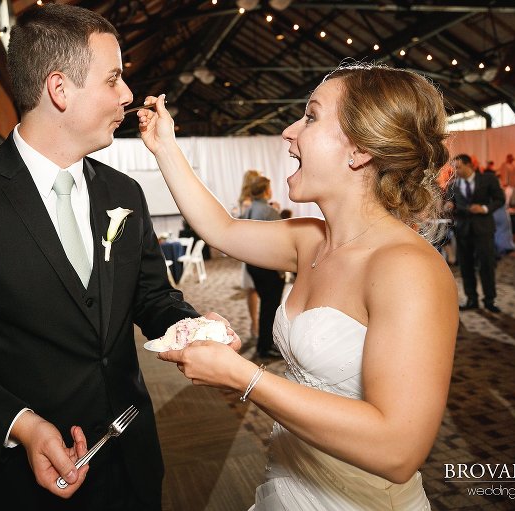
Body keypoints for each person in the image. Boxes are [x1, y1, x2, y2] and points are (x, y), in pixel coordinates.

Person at [0, 4, 237, 510]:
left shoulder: (125, 193)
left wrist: (189, 326)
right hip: (22, 485)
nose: (129, 94)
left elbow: (153, 297)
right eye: (113, 78)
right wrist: (20, 425)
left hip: (132, 462)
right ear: (59, 89)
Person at [136, 63, 458, 509]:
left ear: (359, 150)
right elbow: (222, 229)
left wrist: (243, 377)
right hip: (287, 483)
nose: (289, 132)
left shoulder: (408, 269)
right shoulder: (309, 240)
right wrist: (164, 147)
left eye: (310, 116)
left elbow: (397, 450)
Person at [446, 154, 506, 313]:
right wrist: (449, 206)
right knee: (466, 267)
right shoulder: (452, 186)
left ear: (469, 165)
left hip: (484, 229)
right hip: (463, 230)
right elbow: (449, 204)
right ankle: (471, 299)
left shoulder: (488, 179)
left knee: (486, 265)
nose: (455, 171)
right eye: (454, 168)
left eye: (458, 167)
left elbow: (500, 199)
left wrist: (484, 209)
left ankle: (489, 300)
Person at [241, 176, 285, 358]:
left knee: (266, 305)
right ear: (266, 191)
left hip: (252, 264)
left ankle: (263, 343)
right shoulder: (269, 212)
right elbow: (281, 242)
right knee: (270, 306)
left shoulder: (248, 209)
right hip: (268, 266)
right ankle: (265, 346)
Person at [237, 169, 261, 340]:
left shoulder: (253, 202)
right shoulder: (247, 203)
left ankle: (257, 323)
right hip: (252, 249)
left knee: (256, 290)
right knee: (253, 289)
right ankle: (255, 323)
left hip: (257, 247)